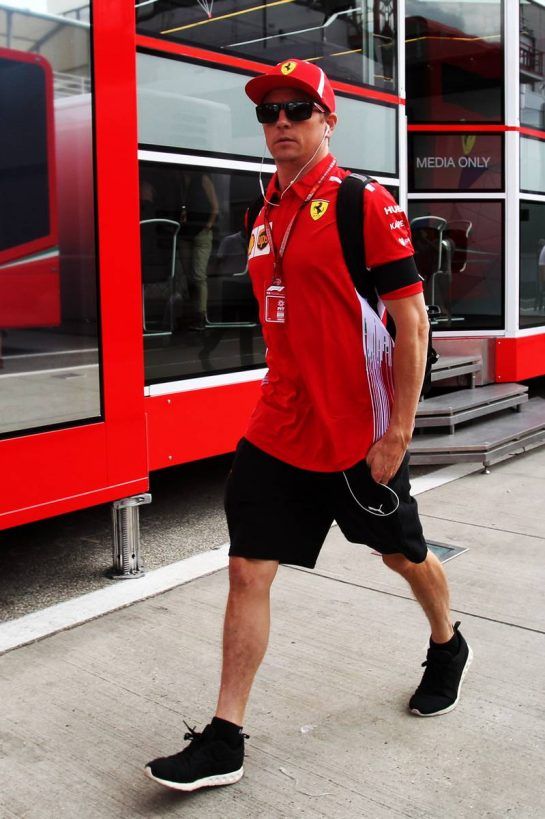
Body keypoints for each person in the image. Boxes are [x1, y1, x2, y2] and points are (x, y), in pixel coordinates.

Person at [145, 58, 472, 793]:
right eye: (269, 112)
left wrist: (398, 432)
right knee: (246, 567)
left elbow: (410, 320)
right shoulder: (264, 214)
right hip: (278, 428)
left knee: (401, 555)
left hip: (358, 433)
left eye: (297, 109)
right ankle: (225, 735)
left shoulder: (362, 203)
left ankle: (447, 643)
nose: (281, 123)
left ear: (328, 120)